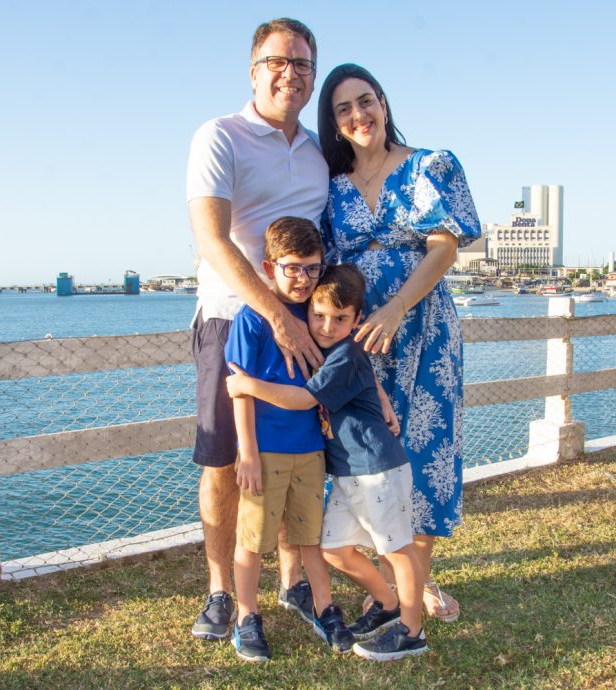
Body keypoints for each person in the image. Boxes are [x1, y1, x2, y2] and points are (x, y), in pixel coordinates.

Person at [316, 63, 481, 621]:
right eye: (344, 109)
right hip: (360, 341)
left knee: (423, 453)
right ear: (334, 124)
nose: (359, 115)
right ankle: (394, 575)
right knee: (367, 455)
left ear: (383, 104)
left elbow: (444, 246)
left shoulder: (430, 165)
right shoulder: (331, 186)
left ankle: (416, 585)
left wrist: (395, 307)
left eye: (367, 102)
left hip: (422, 330)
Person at [185, 17, 327, 640]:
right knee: (223, 461)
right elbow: (211, 239)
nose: (288, 73)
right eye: (277, 60)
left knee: (301, 452)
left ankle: (295, 580)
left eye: (301, 64)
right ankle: (221, 591)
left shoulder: (322, 150)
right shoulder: (221, 136)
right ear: (253, 69)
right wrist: (273, 315)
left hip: (307, 324)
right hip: (232, 319)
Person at [227, 264, 430, 661]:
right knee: (334, 548)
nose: (326, 325)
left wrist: (246, 385)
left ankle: (412, 630)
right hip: (348, 473)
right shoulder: (327, 348)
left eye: (340, 319)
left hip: (376, 469)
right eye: (318, 316)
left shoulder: (346, 355)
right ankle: (387, 604)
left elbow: (304, 399)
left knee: (397, 549)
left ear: (357, 320)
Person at [224, 218, 354, 661]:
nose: (303, 279)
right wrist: (248, 453)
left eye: (313, 268)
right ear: (268, 266)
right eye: (293, 268)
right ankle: (246, 617)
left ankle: (324, 608)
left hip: (311, 452)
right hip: (267, 452)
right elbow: (239, 389)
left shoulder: (318, 316)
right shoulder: (253, 320)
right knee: (253, 542)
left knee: (309, 538)